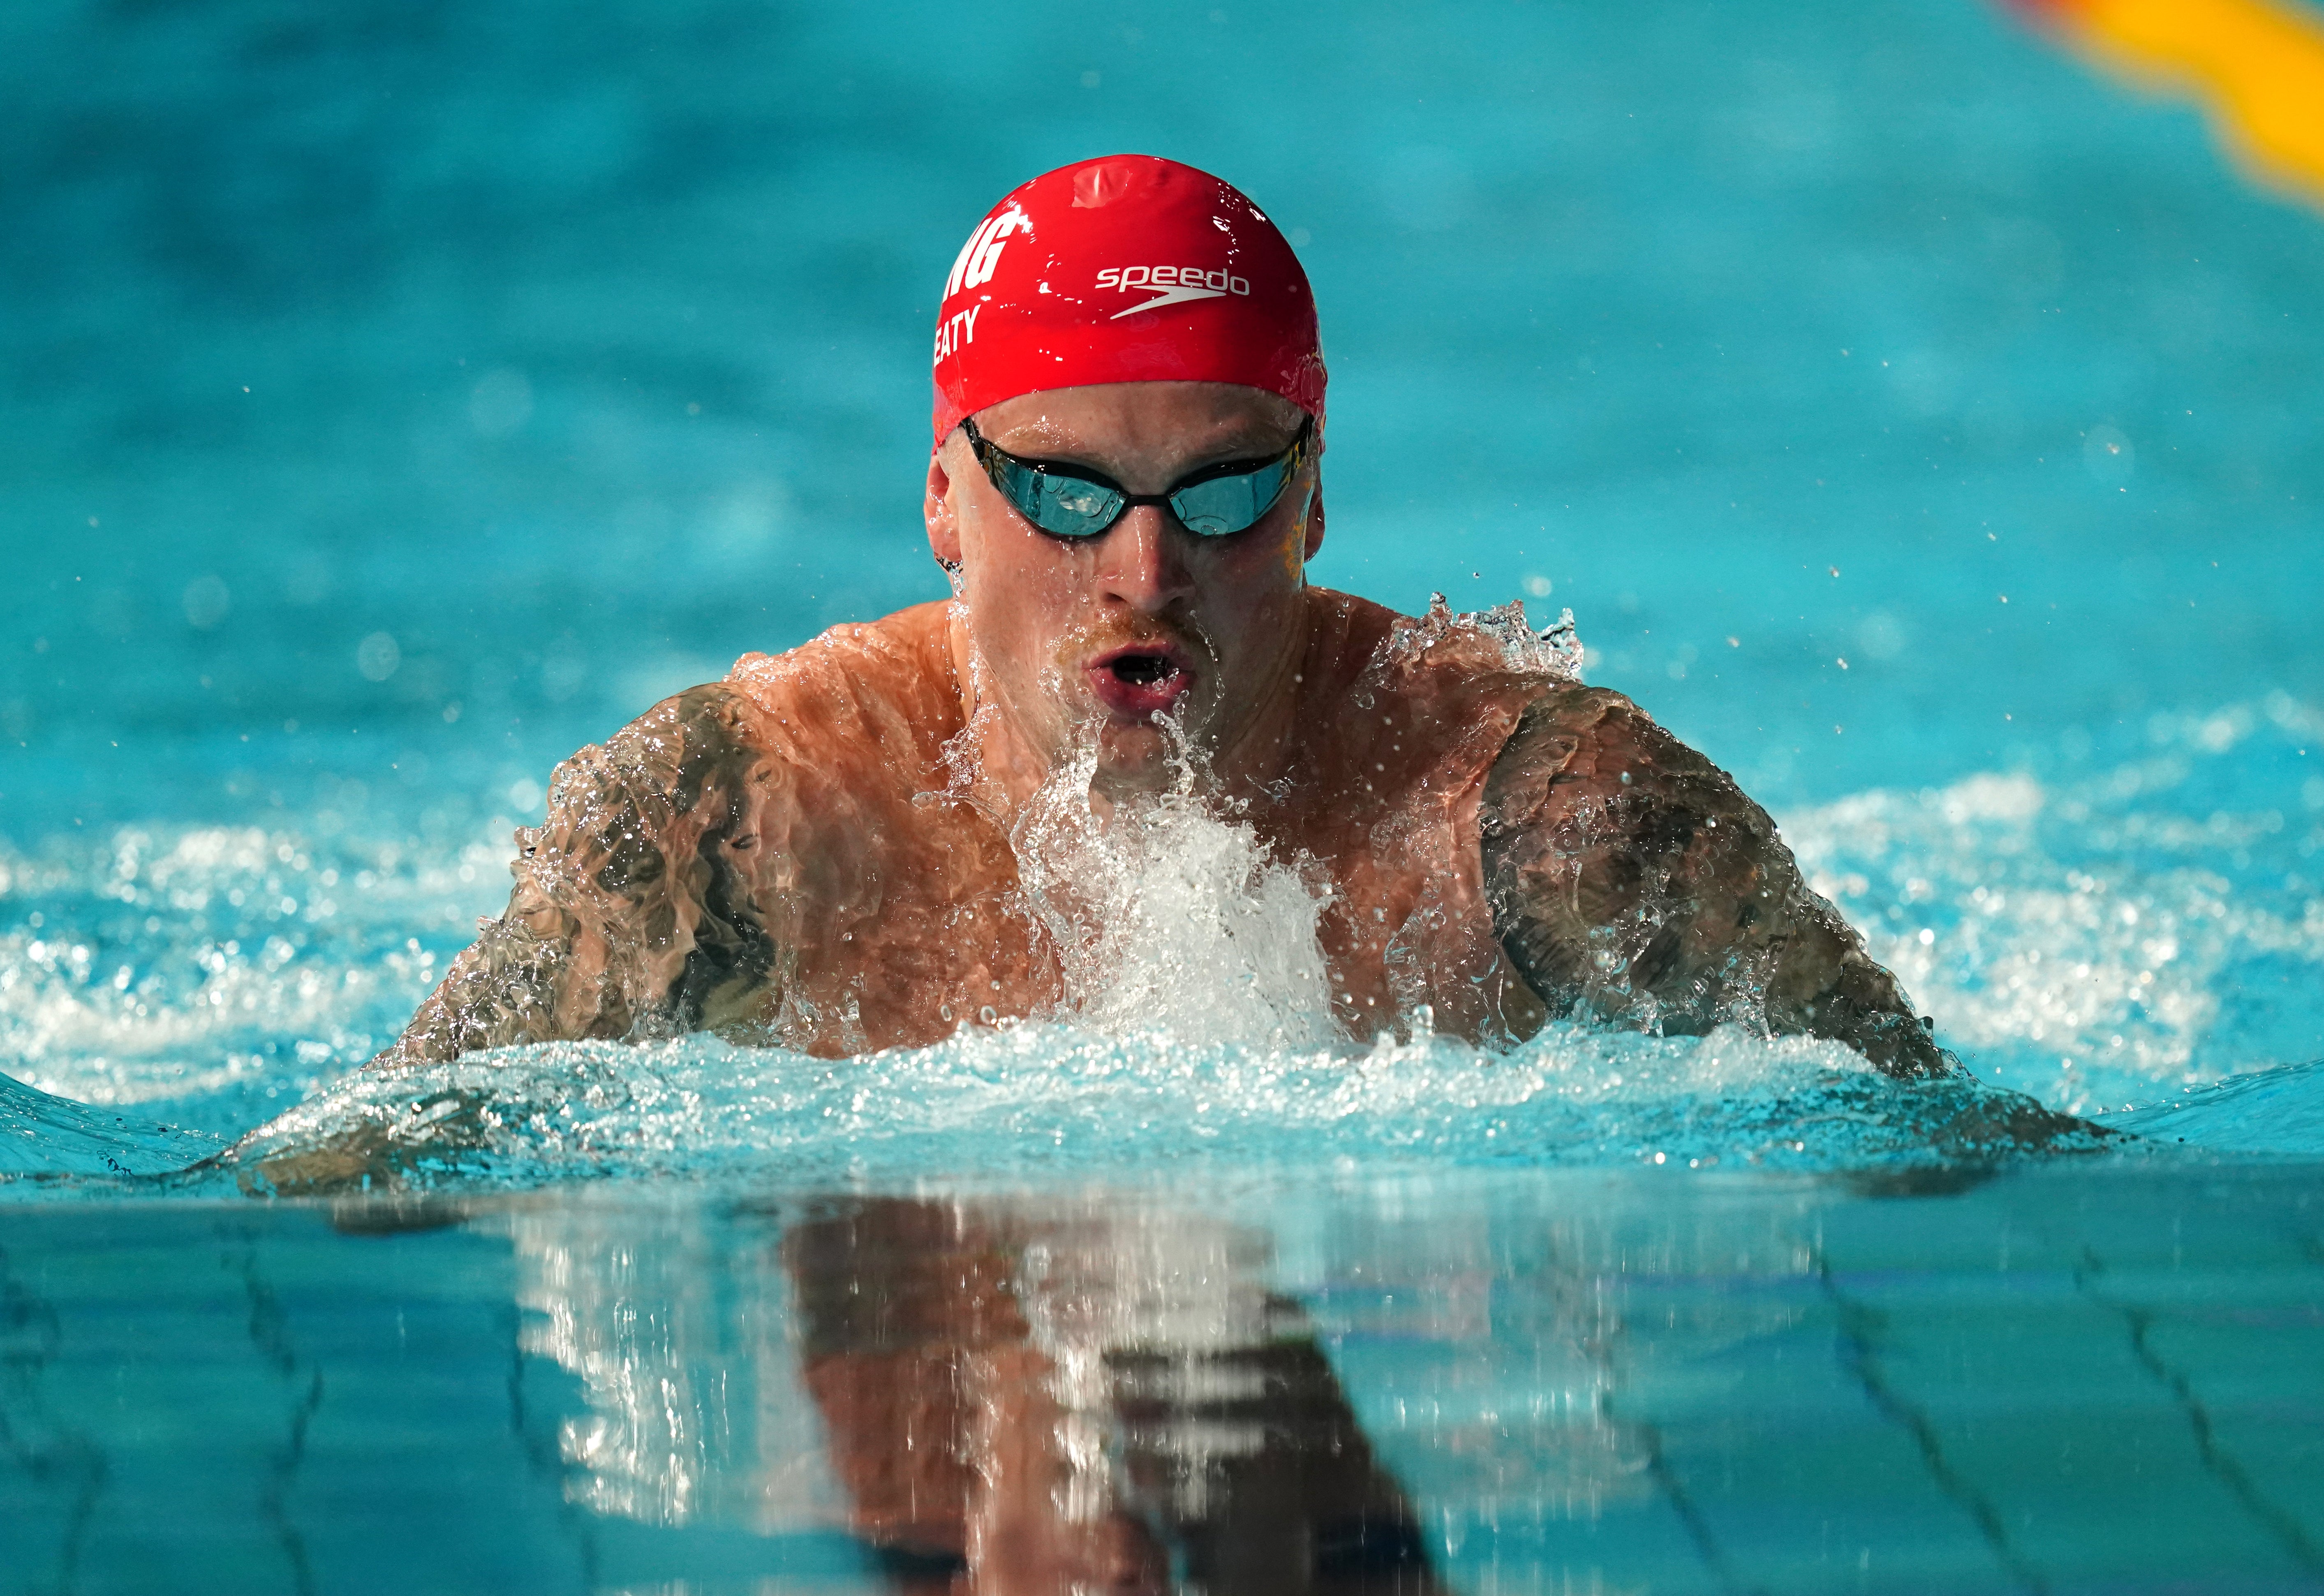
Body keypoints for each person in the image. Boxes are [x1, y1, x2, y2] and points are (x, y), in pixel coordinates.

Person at [375, 154, 1953, 1081]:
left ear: (1316, 493)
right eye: (1066, 494)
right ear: (941, 496)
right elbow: (365, 1166)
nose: (1144, 570)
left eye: (1221, 492)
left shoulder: (1534, 825)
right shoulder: (748, 823)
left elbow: (1953, 1156)